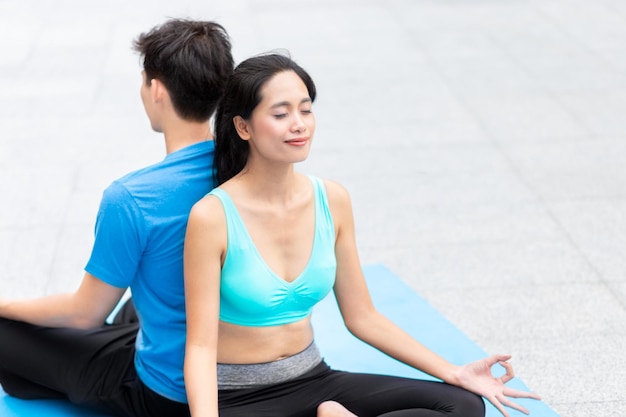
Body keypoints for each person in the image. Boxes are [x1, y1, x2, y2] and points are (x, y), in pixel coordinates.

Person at [183, 53, 542, 417]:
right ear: (244, 127)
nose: (299, 125)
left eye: (306, 110)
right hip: (240, 398)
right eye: (281, 114)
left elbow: (362, 316)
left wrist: (455, 372)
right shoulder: (212, 217)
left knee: (463, 405)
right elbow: (199, 346)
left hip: (315, 380)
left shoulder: (332, 200)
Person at [0, 19, 233, 417]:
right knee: (133, 296)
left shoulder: (133, 197)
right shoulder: (242, 169)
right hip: (232, 379)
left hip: (164, 390)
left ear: (156, 88)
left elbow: (84, 313)